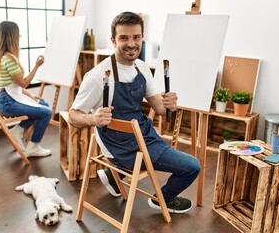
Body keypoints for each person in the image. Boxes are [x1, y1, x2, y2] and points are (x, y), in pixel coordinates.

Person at [68, 12, 201, 213]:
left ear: (142, 38)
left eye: (136, 37)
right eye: (124, 38)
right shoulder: (98, 75)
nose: (131, 44)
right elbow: (72, 116)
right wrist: (92, 118)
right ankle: (162, 199)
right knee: (192, 166)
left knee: (177, 159)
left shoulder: (141, 67)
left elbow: (159, 109)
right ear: (113, 40)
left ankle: (115, 176)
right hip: (119, 145)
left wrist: (169, 104)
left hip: (143, 134)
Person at [0, 20, 52, 157]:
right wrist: (37, 65)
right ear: (12, 37)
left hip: (3, 98)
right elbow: (23, 83)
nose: (20, 38)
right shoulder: (10, 59)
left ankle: (18, 131)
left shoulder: (4, 56)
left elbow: (12, 85)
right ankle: (33, 147)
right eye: (18, 35)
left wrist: (30, 96)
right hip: (7, 103)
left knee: (43, 105)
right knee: (47, 112)